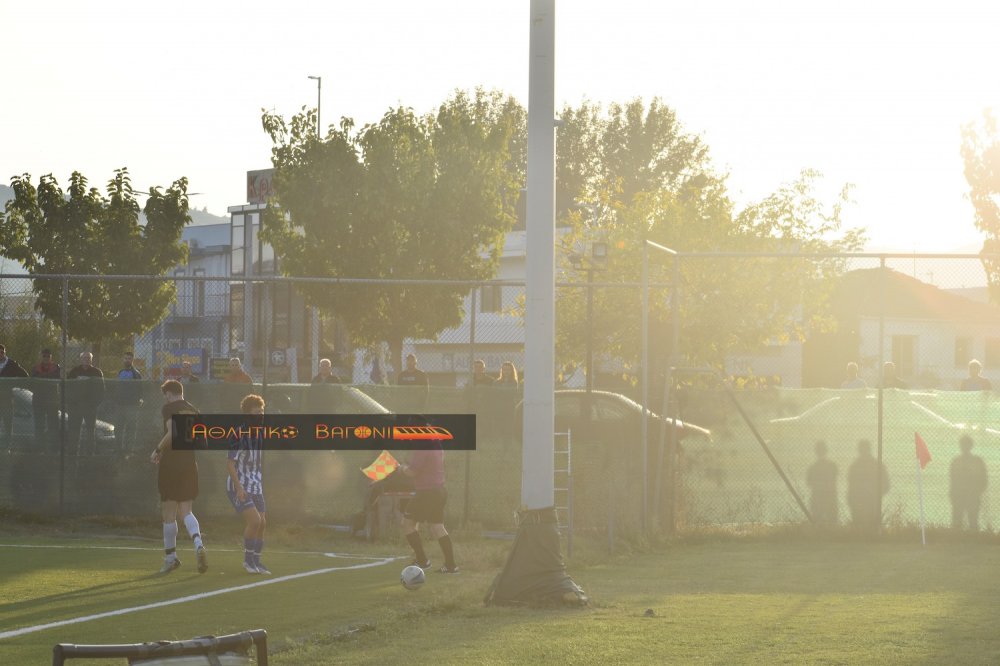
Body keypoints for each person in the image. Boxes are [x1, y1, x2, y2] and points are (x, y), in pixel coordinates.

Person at [149, 380, 207, 575]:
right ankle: (198, 543)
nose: (165, 397)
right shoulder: (193, 410)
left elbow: (172, 432)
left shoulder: (169, 408)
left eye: (165, 394)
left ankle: (170, 558)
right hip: (189, 463)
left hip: (171, 464)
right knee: (187, 511)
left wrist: (158, 449)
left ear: (168, 394)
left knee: (168, 512)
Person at [227, 394, 270, 574]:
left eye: (261, 412)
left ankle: (256, 562)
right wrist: (239, 488)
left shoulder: (260, 432)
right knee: (254, 521)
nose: (259, 416)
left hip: (255, 485)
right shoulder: (239, 434)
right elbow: (230, 463)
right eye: (255, 413)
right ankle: (247, 561)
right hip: (240, 485)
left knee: (262, 523)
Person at [400, 439, 458, 574]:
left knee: (407, 524)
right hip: (439, 490)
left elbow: (413, 472)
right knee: (437, 526)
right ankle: (451, 566)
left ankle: (422, 561)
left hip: (426, 492)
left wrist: (401, 468)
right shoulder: (437, 444)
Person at [846, 439, 890, 533]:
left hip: (864, 500)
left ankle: (862, 538)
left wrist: (850, 499)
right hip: (867, 500)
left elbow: (851, 485)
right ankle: (871, 538)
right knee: (870, 524)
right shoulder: (876, 465)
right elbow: (886, 485)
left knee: (861, 524)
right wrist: (877, 494)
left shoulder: (856, 466)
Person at [66, 352, 105, 453]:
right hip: (76, 407)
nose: (86, 359)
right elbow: (68, 388)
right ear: (81, 359)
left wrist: (95, 403)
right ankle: (73, 453)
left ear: (91, 359)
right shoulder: (74, 371)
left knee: (90, 432)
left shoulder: (97, 372)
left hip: (90, 407)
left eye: (88, 358)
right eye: (84, 358)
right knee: (74, 431)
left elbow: (101, 390)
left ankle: (90, 454)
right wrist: (72, 403)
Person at [949, 435, 988, 530]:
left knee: (973, 519)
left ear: (970, 446)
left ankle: (972, 538)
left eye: (966, 445)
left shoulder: (977, 461)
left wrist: (978, 491)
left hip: (972, 494)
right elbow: (952, 479)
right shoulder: (957, 461)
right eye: (963, 445)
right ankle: (959, 539)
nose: (964, 447)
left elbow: (983, 478)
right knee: (958, 520)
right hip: (960, 495)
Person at [30, 349, 61, 448]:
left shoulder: (56, 368)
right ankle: (39, 447)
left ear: (51, 357)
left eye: (48, 356)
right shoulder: (35, 369)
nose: (46, 358)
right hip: (38, 400)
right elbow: (31, 383)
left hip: (52, 400)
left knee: (53, 425)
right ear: (41, 357)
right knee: (39, 425)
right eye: (44, 356)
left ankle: (53, 447)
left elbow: (58, 380)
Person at [113, 351, 143, 452]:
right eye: (125, 358)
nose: (127, 360)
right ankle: (118, 449)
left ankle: (129, 450)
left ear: (132, 360)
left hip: (131, 406)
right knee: (118, 428)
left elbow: (140, 389)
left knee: (131, 428)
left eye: (129, 358)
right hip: (120, 405)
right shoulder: (120, 372)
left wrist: (137, 401)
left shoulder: (136, 374)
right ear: (123, 359)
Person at [0, 343, 29, 444]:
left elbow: (24, 375)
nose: (0, 354)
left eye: (2, 352)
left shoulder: (11, 364)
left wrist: (14, 383)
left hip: (7, 397)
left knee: (8, 422)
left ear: (4, 353)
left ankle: (8, 445)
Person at [806, 440, 838, 525]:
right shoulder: (832, 466)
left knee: (817, 519)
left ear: (816, 452)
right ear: (826, 451)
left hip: (817, 496)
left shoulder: (813, 468)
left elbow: (809, 482)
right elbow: (834, 479)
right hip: (830, 495)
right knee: (832, 520)